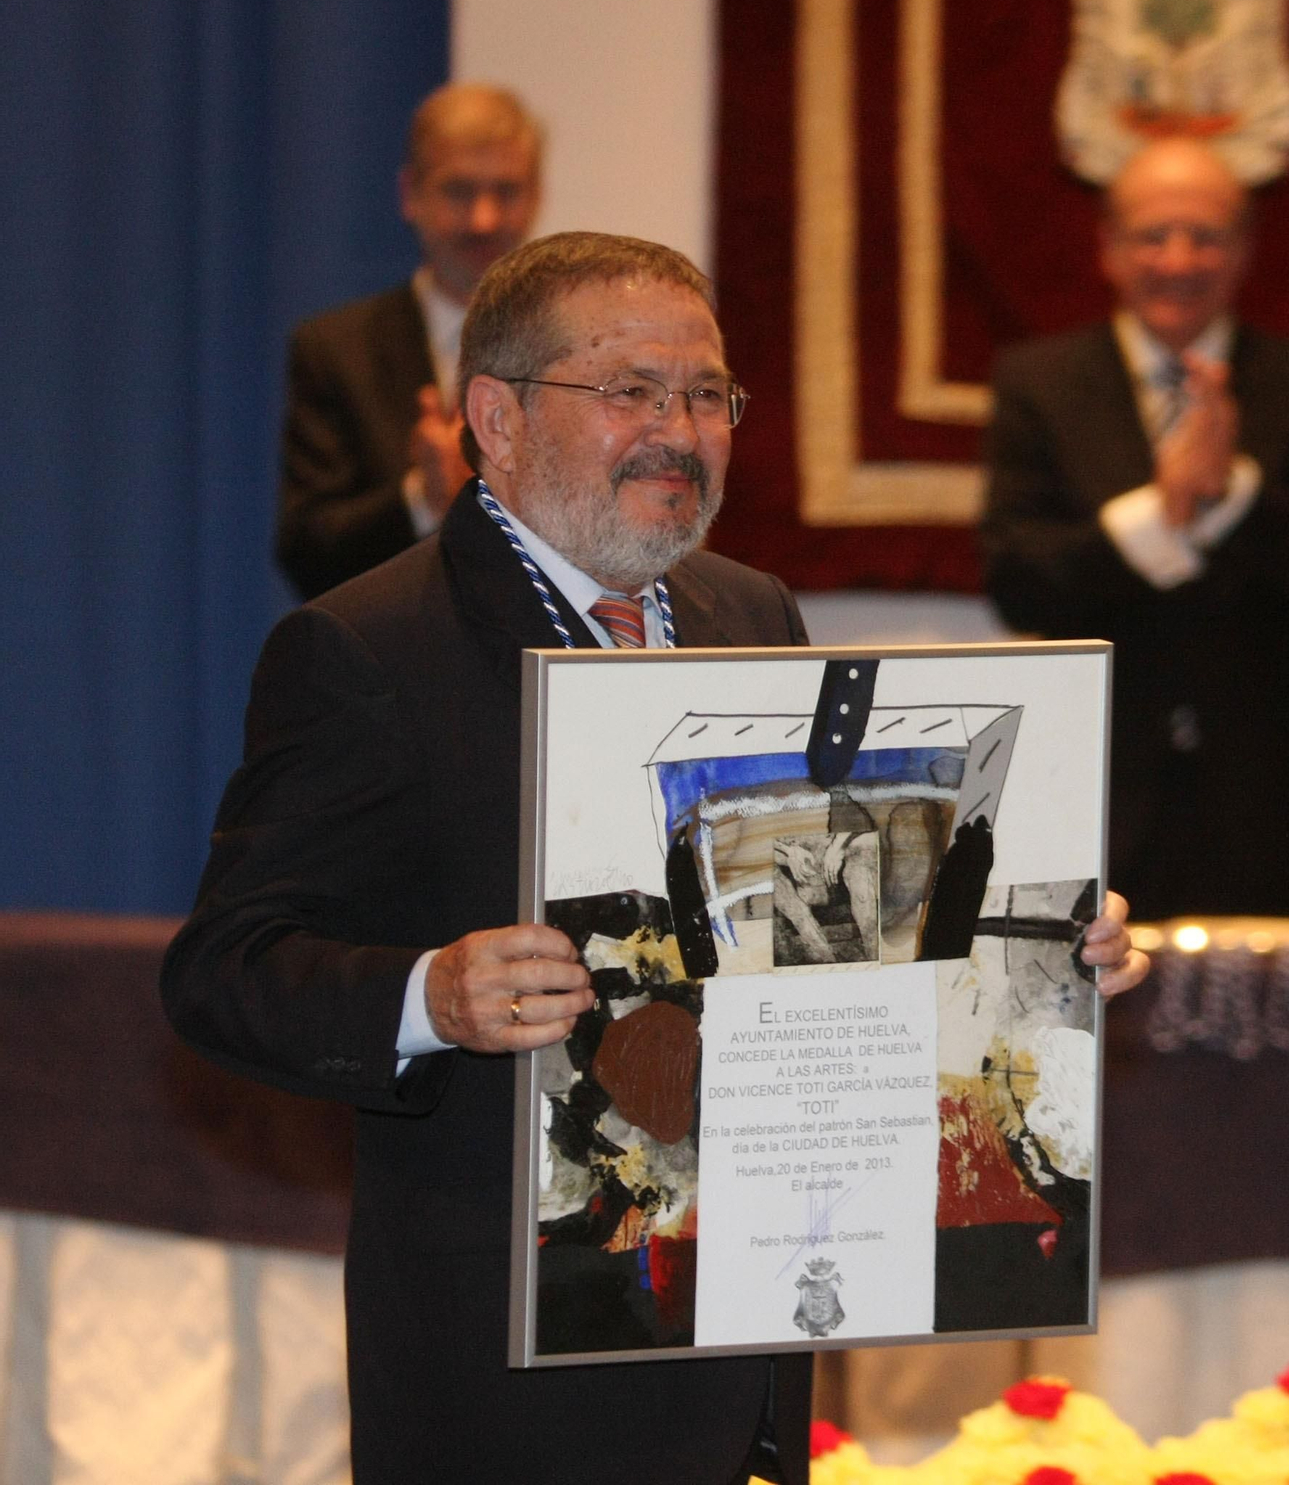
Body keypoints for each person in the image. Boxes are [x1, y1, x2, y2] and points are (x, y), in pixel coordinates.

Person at [163, 231, 1149, 1485]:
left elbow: (828, 920)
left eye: (707, 396)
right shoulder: (365, 649)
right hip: (506, 1377)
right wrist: (430, 995)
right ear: (495, 419)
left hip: (747, 1342)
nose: (678, 429)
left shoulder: (752, 613)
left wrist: (1041, 936)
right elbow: (222, 970)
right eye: (630, 390)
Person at [982, 138, 1289, 921]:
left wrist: (1234, 495)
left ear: (1246, 250)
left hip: (1265, 791)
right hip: (1093, 779)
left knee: (1273, 1031)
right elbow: (1017, 579)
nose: (1179, 259)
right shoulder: (1039, 382)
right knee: (1097, 1036)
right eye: (1153, 235)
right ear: (1109, 249)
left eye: (1207, 235)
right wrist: (1158, 515)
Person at [276, 81, 543, 599]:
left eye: (505, 192)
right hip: (387, 664)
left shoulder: (577, 353)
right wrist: (422, 496)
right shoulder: (335, 350)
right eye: (459, 191)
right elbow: (306, 552)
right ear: (410, 195)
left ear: (535, 197)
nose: (483, 219)